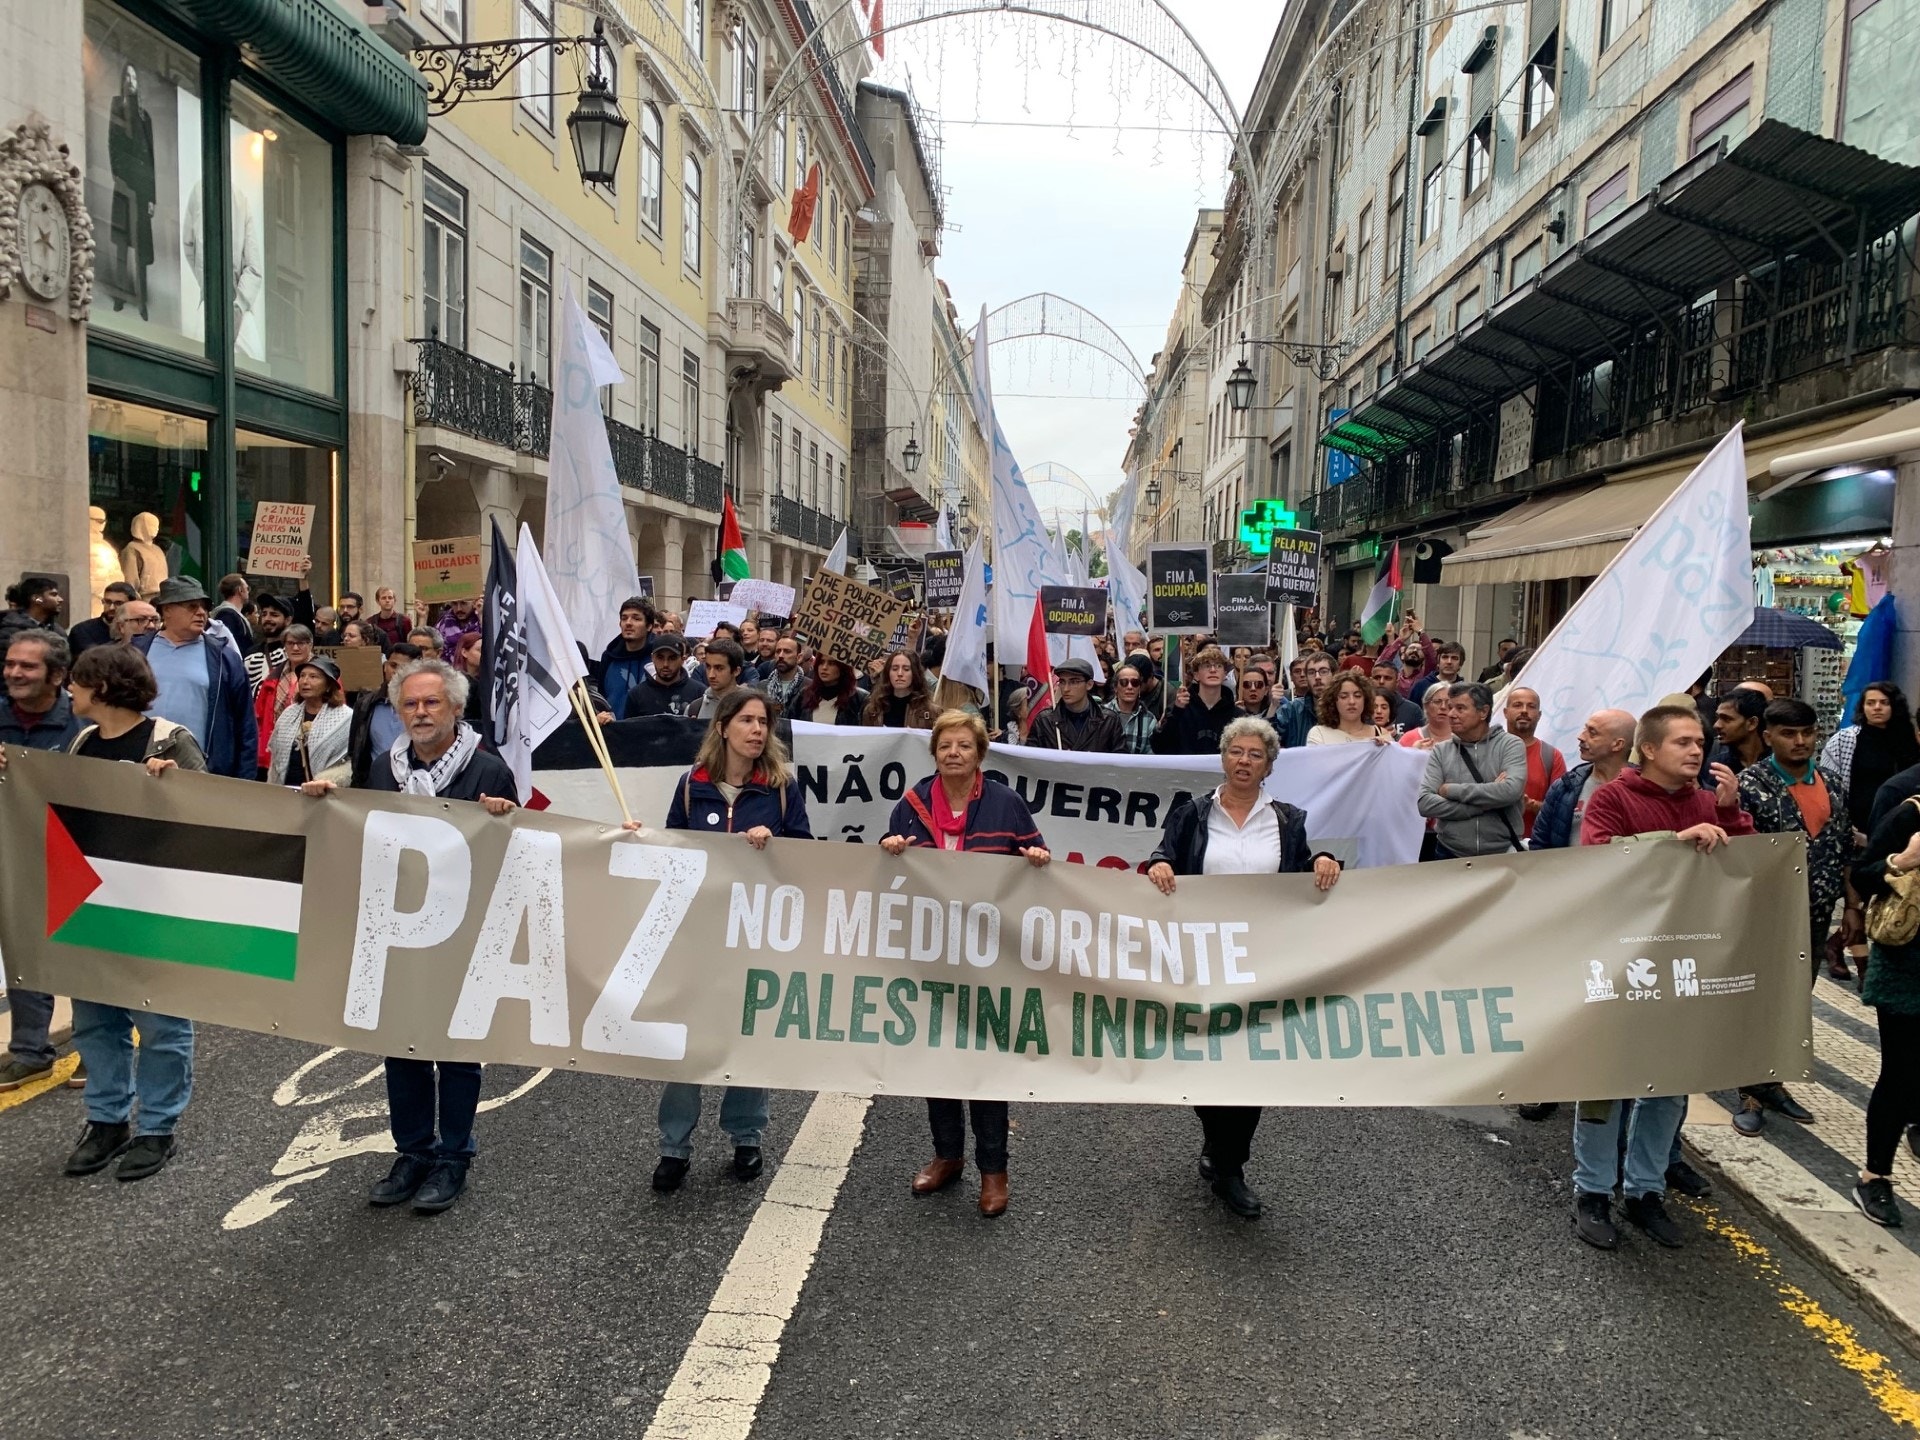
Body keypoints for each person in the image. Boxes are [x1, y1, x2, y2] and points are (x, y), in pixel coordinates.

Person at [303, 658, 516, 1215]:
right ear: (397, 712)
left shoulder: (488, 772)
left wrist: (504, 816)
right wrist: (329, 806)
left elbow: (514, 854)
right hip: (396, 929)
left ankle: (453, 1158)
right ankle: (413, 1151)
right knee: (400, 1046)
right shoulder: (382, 769)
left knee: (456, 1050)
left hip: (462, 932)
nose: (420, 713)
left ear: (456, 708)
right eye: (410, 705)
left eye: (432, 703)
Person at [1570, 704, 1753, 1252]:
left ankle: (1646, 1190)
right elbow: (1599, 856)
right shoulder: (1611, 797)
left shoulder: (1705, 801)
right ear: (1648, 749)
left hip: (1684, 961)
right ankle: (1593, 1190)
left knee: (1669, 1082)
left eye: (1700, 741)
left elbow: (1745, 869)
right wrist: (1673, 843)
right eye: (1683, 742)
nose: (1698, 750)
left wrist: (1733, 815)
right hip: (1619, 960)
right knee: (1609, 1080)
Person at [22, 644, 208, 1179]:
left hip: (155, 911)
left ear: (101, 686)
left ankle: (157, 1128)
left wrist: (174, 787)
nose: (68, 692)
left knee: (160, 1022)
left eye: (77, 682)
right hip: (94, 905)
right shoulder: (81, 741)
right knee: (95, 1021)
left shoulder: (170, 740)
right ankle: (106, 1121)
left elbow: (212, 820)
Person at [1146, 717, 1340, 1219]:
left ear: (1270, 765)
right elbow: (1163, 856)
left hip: (1263, 958)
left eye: (1256, 754)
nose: (1245, 761)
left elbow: (1301, 871)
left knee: (1252, 1062)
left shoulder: (1287, 820)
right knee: (1205, 1057)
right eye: (1237, 752)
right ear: (1224, 757)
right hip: (1203, 956)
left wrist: (1323, 857)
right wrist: (1158, 865)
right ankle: (1216, 1143)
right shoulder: (1191, 814)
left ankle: (1232, 1166)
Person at [880, 711, 1050, 1217]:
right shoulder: (910, 805)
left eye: (964, 746)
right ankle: (947, 1155)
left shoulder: (1005, 802)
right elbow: (890, 872)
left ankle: (994, 1171)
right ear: (934, 753)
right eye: (945, 746)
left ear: (980, 754)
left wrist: (1036, 857)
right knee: (939, 1059)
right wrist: (889, 851)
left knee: (984, 1064)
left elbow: (1034, 853)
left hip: (988, 956)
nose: (954, 753)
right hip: (930, 954)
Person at [652, 688, 813, 1191]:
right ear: (722, 726)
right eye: (746, 720)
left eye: (763, 722)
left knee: (748, 1036)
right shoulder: (691, 785)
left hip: (757, 933)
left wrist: (776, 846)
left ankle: (746, 1135)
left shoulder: (782, 787)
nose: (757, 730)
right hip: (702, 936)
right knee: (690, 1041)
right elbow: (673, 849)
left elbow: (807, 856)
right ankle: (674, 1146)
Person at [1730, 698, 1844, 1135]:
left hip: (1816, 916)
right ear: (1768, 736)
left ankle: (1773, 1079)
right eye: (1790, 734)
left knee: (1794, 1001)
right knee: (1759, 999)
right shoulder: (1750, 785)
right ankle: (1749, 1091)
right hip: (1766, 916)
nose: (1800, 742)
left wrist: (1850, 906)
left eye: (1808, 733)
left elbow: (1843, 848)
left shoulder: (1830, 783)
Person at [0, 629, 85, 1091]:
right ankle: (30, 1051)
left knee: (84, 950)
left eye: (26, 666)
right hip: (13, 855)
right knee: (23, 949)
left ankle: (96, 1046)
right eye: (10, 663)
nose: (14, 672)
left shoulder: (80, 722)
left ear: (56, 674)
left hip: (72, 857)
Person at [1846, 790, 1920, 1227]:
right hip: (1907, 969)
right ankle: (1874, 1176)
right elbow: (1864, 873)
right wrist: (1902, 862)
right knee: (1901, 1073)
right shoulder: (1908, 812)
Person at [131, 576, 256, 779]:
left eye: (204, 607)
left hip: (203, 772)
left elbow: (246, 725)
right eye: (191, 606)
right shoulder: (135, 653)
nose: (201, 613)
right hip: (141, 767)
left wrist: (244, 782)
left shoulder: (225, 658)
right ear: (167, 610)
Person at [1417, 682, 1527, 859]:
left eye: (1460, 708)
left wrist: (1450, 790)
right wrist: (1479, 806)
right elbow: (1425, 803)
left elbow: (1511, 791)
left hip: (1502, 854)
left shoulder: (1511, 744)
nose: (1451, 714)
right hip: (1449, 853)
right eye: (1451, 707)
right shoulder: (1441, 750)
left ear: (1483, 712)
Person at [1824, 682, 1920, 846]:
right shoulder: (1844, 740)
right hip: (1855, 823)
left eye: (1884, 703)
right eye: (1870, 703)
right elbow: (1829, 786)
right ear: (1862, 707)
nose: (1877, 707)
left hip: (1898, 823)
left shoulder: (1907, 740)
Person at [1531, 709, 1635, 852]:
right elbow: (1539, 844)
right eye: (1584, 729)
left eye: (1592, 733)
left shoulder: (1646, 788)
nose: (1581, 737)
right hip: (1568, 873)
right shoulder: (1565, 787)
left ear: (1617, 744)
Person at [266, 654, 351, 787]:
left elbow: (351, 763)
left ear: (328, 685)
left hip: (324, 794)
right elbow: (275, 759)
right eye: (302, 676)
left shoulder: (345, 718)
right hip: (286, 792)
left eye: (313, 677)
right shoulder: (289, 714)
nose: (305, 681)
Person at [349, 642, 420, 787]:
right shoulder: (366, 704)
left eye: (405, 668)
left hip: (416, 784)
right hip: (375, 785)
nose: (397, 672)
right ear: (385, 666)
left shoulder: (423, 706)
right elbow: (356, 749)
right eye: (393, 665)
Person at [1501, 687, 1566, 841]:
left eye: (1531, 706)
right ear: (1505, 712)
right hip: (1489, 845)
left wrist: (1533, 805)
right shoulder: (1486, 750)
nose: (1524, 711)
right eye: (1517, 705)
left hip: (1534, 848)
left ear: (1539, 715)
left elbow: (1562, 810)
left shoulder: (1552, 756)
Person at [1154, 646, 1240, 756]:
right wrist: (1176, 712)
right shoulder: (1177, 709)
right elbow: (1158, 746)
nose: (1213, 670)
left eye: (1218, 666)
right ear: (1196, 675)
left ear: (1225, 674)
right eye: (1206, 666)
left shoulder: (1237, 714)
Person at [1027, 657, 1123, 751]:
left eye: (1074, 682)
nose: (1066, 689)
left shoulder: (1109, 721)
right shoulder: (1045, 720)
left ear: (1089, 684)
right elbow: (1031, 759)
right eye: (1062, 682)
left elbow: (1120, 761)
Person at [597, 596, 658, 720]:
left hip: (651, 732)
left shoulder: (659, 656)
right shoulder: (609, 657)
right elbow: (601, 697)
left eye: (636, 618)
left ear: (649, 626)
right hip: (614, 732)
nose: (628, 623)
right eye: (624, 618)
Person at [624, 635, 706, 718]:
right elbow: (627, 729)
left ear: (682, 659)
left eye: (672, 658)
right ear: (652, 658)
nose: (665, 664)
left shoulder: (699, 693)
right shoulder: (636, 695)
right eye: (660, 657)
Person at [1307, 672, 1392, 746]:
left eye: (1357, 696)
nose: (1352, 701)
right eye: (1344, 696)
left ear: (1365, 700)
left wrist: (1383, 750)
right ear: (1333, 701)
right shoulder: (1319, 734)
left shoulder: (1382, 734)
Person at [861, 649, 936, 729]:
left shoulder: (931, 712)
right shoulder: (873, 710)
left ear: (915, 673)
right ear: (888, 673)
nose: (900, 674)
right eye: (895, 669)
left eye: (906, 669)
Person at [1276, 652, 1336, 748]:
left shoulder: (1347, 709)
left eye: (1323, 671)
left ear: (1335, 675)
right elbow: (1266, 737)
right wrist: (1272, 707)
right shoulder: (1291, 710)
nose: (1317, 677)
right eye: (1311, 672)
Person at [69, 580, 137, 657]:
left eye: (118, 603)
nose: (111, 608)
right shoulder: (82, 631)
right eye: (107, 602)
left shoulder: (140, 629)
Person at [1710, 689, 1769, 775]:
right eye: (1717, 718)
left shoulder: (1779, 765)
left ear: (1752, 723)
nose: (1717, 725)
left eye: (1727, 719)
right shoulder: (1715, 766)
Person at [797, 654, 863, 725]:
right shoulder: (804, 694)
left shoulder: (858, 698)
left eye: (831, 663)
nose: (824, 667)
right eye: (821, 662)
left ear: (843, 667)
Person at [697, 637, 751, 720]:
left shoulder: (752, 707)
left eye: (719, 668)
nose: (711, 675)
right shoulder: (695, 708)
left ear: (736, 671)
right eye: (708, 667)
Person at [1110, 661, 1158, 754]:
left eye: (1135, 683)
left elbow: (1150, 756)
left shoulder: (1149, 720)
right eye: (1124, 682)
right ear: (1115, 687)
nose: (1130, 687)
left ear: (1139, 688)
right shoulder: (1101, 714)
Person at [0, 577, 64, 643]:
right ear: (37, 599)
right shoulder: (10, 632)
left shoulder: (58, 631)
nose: (60, 599)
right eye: (53, 594)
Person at [761, 632, 806, 713]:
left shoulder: (809, 688)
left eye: (787, 651)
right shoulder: (761, 687)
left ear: (799, 658)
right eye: (778, 651)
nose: (781, 655)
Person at [1401, 682, 1455, 750]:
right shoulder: (1409, 738)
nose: (1443, 707)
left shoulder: (1464, 739)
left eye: (1448, 702)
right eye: (1437, 701)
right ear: (1426, 706)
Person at [211, 574, 251, 652]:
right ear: (240, 590)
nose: (248, 592)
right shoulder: (227, 615)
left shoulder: (230, 614)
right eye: (247, 588)